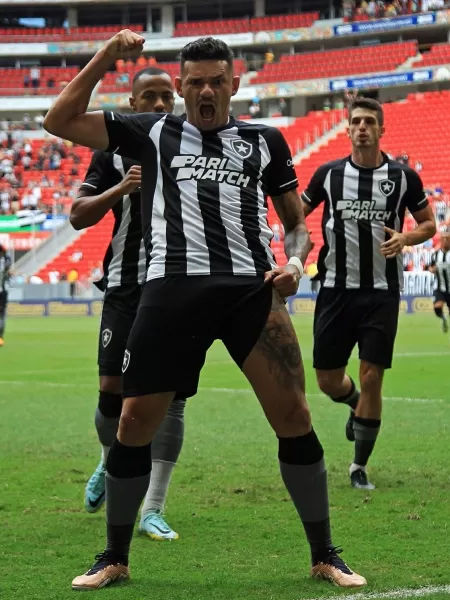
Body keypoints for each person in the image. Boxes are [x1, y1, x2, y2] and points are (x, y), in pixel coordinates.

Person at [44, 30, 366, 591]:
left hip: (249, 291)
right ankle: (114, 556)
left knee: (294, 417)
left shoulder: (266, 141)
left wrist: (293, 263)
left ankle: (324, 553)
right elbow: (59, 119)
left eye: (218, 81)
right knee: (132, 422)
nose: (207, 92)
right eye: (195, 83)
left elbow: (295, 226)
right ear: (180, 87)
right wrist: (107, 57)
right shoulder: (151, 131)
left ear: (235, 84)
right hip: (170, 291)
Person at [70, 67, 185, 541]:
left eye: (166, 97)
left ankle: (153, 508)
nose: (159, 105)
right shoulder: (110, 154)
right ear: (132, 104)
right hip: (123, 284)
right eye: (150, 97)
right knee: (110, 398)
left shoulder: (193, 148)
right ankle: (109, 457)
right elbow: (78, 215)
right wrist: (120, 189)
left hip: (177, 288)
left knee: (172, 401)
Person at [301, 97, 436, 490]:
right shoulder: (327, 175)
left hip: (381, 293)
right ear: (347, 128)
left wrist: (407, 237)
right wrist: (295, 252)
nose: (362, 127)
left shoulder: (404, 177)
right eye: (356, 121)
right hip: (335, 290)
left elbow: (428, 225)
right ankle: (353, 403)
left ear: (381, 129)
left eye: (369, 122)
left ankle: (359, 466)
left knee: (372, 374)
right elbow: (296, 215)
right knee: (328, 380)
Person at [429, 230, 450, 333]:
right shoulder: (436, 255)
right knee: (437, 308)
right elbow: (429, 266)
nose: (445, 241)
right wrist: (432, 270)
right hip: (440, 287)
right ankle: (443, 318)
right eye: (443, 239)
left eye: (448, 239)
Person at [0, 243, 11, 346]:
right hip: (3, 292)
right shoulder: (6, 262)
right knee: (2, 315)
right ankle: (0, 337)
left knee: (1, 315)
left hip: (2, 291)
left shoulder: (5, 263)